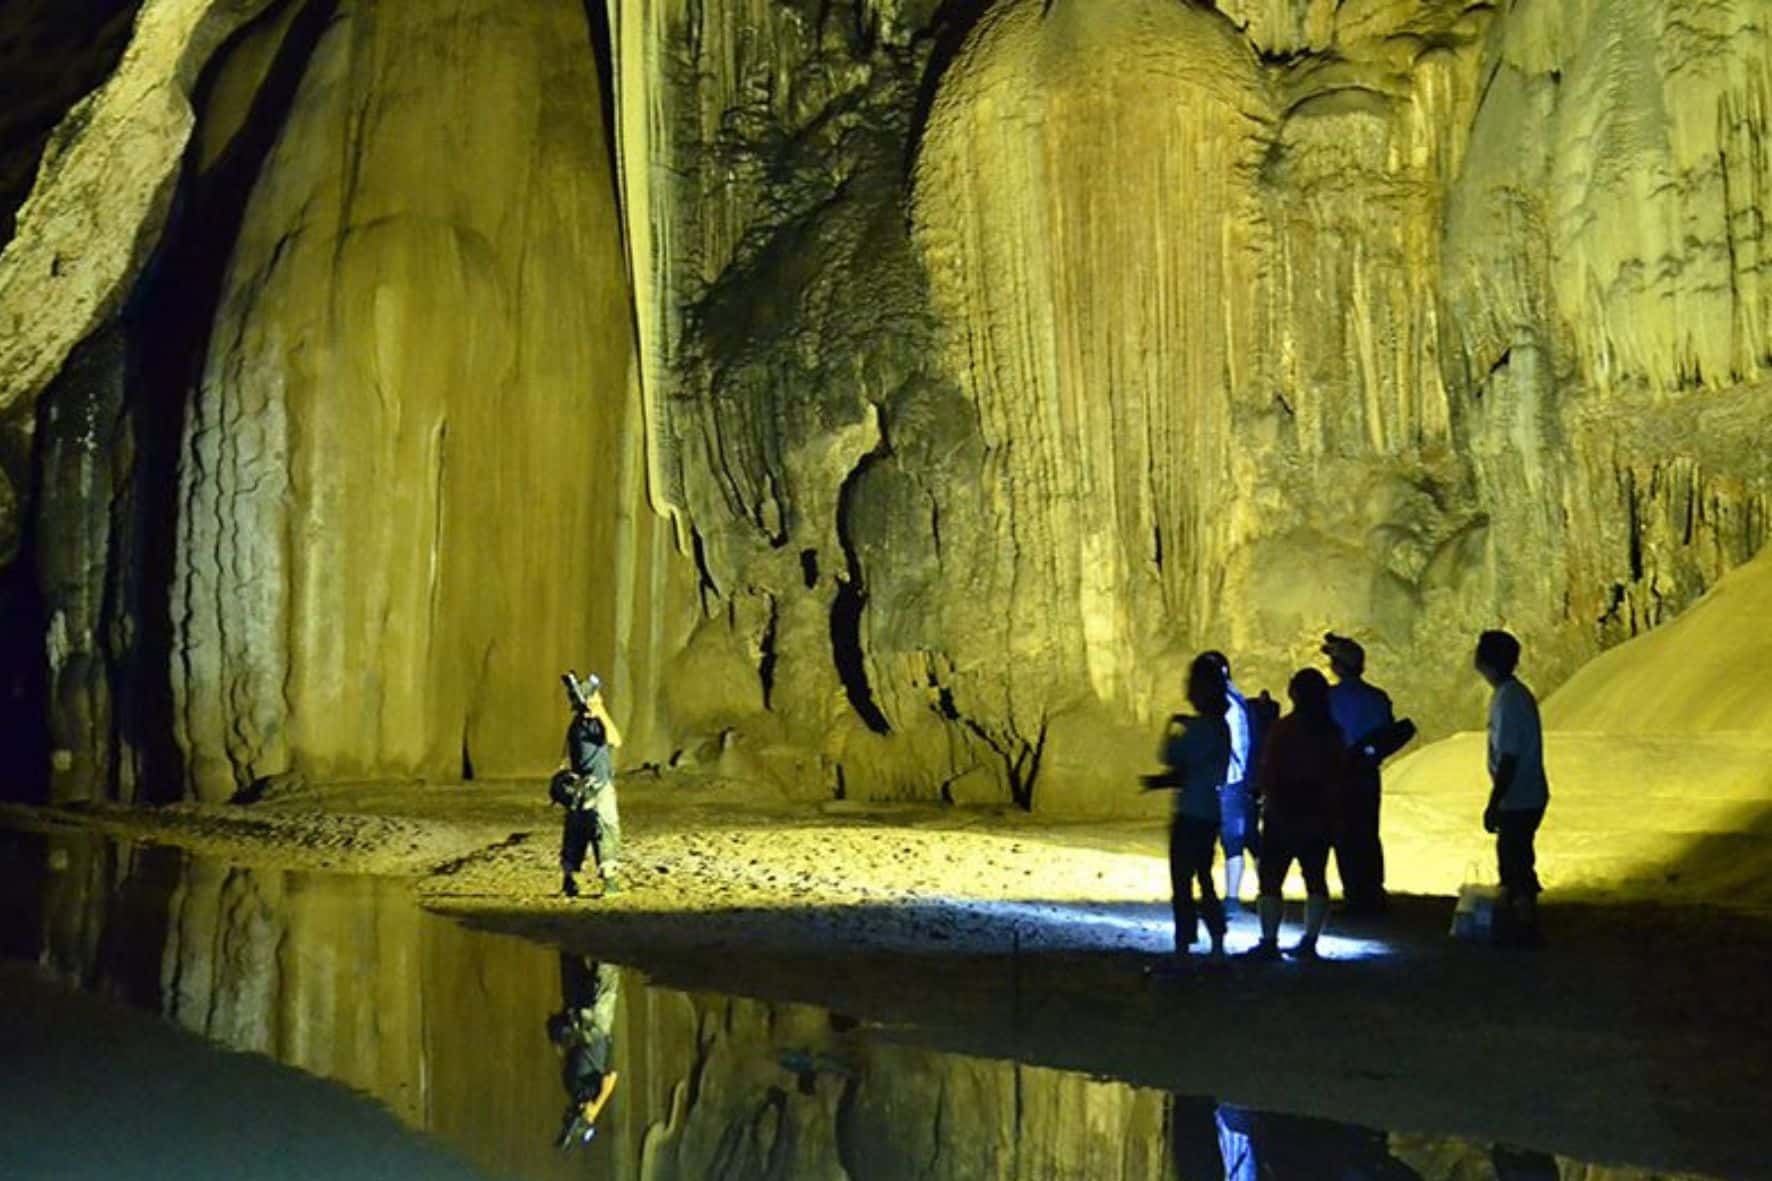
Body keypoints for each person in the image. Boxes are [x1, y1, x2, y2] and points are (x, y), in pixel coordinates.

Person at [1244, 669, 1345, 961]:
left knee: (1271, 878)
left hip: (1283, 813)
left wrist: (1265, 797)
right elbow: (1338, 773)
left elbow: (1269, 768)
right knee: (1315, 878)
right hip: (1318, 814)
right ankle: (1310, 941)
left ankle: (1269, 941)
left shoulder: (1285, 729)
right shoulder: (1332, 732)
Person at [1142, 654, 1233, 966]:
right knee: (1204, 877)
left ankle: (1185, 945)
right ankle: (1217, 941)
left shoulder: (1200, 728)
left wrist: (1172, 728)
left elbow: (1171, 757)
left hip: (1190, 814)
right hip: (1209, 812)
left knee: (1182, 881)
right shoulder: (1220, 726)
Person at [1475, 629, 1550, 947]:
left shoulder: (1508, 699)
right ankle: (1522, 921)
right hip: (1526, 793)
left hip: (1519, 796)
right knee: (1517, 857)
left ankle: (1524, 926)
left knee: (1514, 861)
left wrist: (1495, 801)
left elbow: (1509, 755)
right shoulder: (1513, 694)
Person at [1322, 633, 1394, 914]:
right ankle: (1372, 892)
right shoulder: (1377, 698)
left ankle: (1354, 895)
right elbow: (1387, 735)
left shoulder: (1330, 699)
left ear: (1338, 666)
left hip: (1339, 776)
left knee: (1344, 835)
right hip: (1367, 775)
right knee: (1367, 833)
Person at [555, 671, 624, 898]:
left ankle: (569, 881)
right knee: (605, 831)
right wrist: (601, 711)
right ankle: (610, 883)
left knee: (575, 833)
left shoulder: (576, 724)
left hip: (579, 789)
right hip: (599, 787)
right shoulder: (590, 724)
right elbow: (615, 739)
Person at [1202, 652, 1258, 911]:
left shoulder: (1226, 704)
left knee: (1231, 840)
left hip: (1227, 781)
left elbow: (1226, 744)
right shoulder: (1236, 699)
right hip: (1234, 781)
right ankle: (1236, 897)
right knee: (1238, 839)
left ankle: (1231, 899)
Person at [548, 953, 620, 1150]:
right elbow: (611, 1077)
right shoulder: (594, 1092)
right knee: (606, 960)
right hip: (597, 1018)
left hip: (579, 1013)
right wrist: (595, 1107)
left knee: (570, 954)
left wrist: (562, 1031)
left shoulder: (572, 1086)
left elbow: (563, 1050)